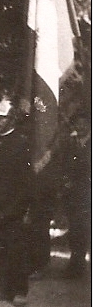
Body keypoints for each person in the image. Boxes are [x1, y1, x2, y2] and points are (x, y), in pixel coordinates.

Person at [0, 99, 33, 307]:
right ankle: (3, 288)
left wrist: (17, 207)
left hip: (13, 207)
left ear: (11, 120)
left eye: (1, 118)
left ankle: (20, 291)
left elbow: (26, 180)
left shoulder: (21, 143)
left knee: (16, 251)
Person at [61, 111, 91, 278]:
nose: (80, 127)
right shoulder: (71, 142)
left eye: (83, 123)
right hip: (73, 193)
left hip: (90, 192)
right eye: (77, 124)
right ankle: (76, 263)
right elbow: (65, 164)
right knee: (75, 228)